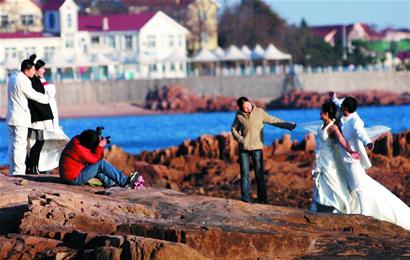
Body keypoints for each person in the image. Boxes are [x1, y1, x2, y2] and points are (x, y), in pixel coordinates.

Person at [319, 97, 410, 230]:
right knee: (351, 186)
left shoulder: (355, 121)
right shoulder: (343, 116)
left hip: (352, 159)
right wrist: (334, 98)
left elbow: (361, 133)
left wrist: (368, 142)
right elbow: (338, 105)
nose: (340, 108)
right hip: (343, 159)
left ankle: (365, 213)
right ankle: (350, 209)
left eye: (342, 106)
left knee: (359, 186)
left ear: (345, 109)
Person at [231, 96, 296, 203]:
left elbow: (273, 120)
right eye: (244, 108)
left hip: (257, 148)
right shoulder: (238, 115)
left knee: (259, 174)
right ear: (240, 108)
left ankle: (262, 199)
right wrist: (240, 140)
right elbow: (234, 129)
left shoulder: (259, 112)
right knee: (244, 174)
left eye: (248, 105)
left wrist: (288, 125)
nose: (247, 108)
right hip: (244, 148)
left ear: (250, 102)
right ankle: (246, 199)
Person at [311, 101, 359, 214]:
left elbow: (342, 140)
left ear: (326, 113)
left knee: (332, 180)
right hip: (321, 158)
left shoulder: (333, 127)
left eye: (321, 111)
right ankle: (323, 204)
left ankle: (336, 206)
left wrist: (351, 151)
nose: (320, 113)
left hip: (329, 160)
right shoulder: (321, 126)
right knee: (321, 182)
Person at [6, 56, 50, 176]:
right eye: (32, 70)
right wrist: (46, 98)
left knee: (12, 144)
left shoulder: (12, 77)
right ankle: (19, 171)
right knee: (20, 146)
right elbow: (32, 94)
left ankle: (12, 170)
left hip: (11, 117)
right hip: (20, 118)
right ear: (26, 70)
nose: (34, 72)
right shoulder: (23, 80)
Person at [26, 56, 69, 174]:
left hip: (43, 118)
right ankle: (33, 167)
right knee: (37, 142)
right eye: (42, 69)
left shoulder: (39, 81)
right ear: (36, 69)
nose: (44, 71)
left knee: (39, 142)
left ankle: (35, 167)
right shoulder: (34, 81)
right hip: (39, 118)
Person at [59, 129, 139, 188]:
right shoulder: (80, 150)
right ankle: (125, 182)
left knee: (95, 167)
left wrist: (96, 138)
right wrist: (100, 146)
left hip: (69, 175)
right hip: (73, 179)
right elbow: (96, 159)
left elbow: (88, 144)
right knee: (101, 164)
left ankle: (110, 183)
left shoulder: (77, 139)